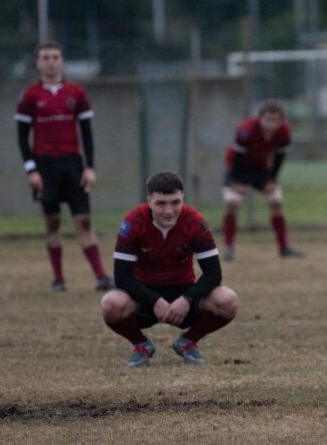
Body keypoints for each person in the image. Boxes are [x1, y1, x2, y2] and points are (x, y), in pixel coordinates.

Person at [100, 171, 238, 367]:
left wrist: (187, 299)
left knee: (228, 300)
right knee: (111, 304)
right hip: (143, 297)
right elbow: (122, 278)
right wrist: (154, 301)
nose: (169, 211)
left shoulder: (195, 221)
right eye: (161, 203)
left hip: (183, 294)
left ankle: (188, 341)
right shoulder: (133, 222)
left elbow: (213, 274)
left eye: (175, 202)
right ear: (149, 201)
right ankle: (141, 345)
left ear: (183, 198)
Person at [15, 40, 112, 292]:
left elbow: (87, 134)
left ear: (62, 60)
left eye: (55, 57)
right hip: (44, 166)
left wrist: (89, 167)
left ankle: (101, 277)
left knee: (83, 221)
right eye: (45, 57)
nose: (51, 62)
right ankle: (58, 280)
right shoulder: (30, 96)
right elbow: (22, 138)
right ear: (38, 62)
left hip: (72, 164)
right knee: (53, 222)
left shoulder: (76, 93)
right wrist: (31, 170)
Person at [221, 100, 303, 261]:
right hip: (238, 168)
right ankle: (229, 249)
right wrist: (235, 182)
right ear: (260, 118)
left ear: (282, 121)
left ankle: (284, 249)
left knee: (275, 202)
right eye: (267, 119)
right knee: (232, 203)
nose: (271, 124)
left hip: (261, 168)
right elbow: (237, 158)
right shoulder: (245, 130)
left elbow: (279, 157)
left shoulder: (285, 131)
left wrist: (271, 180)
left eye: (276, 120)